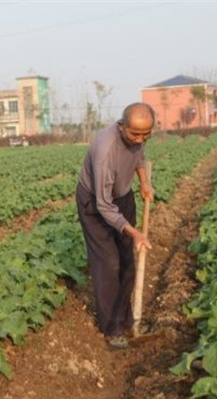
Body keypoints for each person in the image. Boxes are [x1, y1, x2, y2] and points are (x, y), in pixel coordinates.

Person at [75, 102, 155, 349]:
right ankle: (111, 327)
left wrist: (143, 182)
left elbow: (139, 156)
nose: (141, 139)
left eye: (146, 134)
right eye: (135, 134)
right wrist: (134, 232)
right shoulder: (105, 151)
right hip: (96, 203)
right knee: (108, 263)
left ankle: (128, 318)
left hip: (123, 195)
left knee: (127, 262)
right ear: (122, 127)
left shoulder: (138, 138)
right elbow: (104, 205)